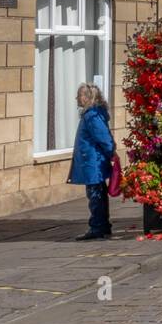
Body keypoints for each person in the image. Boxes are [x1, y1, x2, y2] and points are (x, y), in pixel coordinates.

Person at [68, 83, 116, 241]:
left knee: (95, 195)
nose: (77, 98)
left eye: (79, 95)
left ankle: (97, 227)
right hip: (94, 161)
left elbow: (103, 137)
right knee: (99, 193)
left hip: (93, 162)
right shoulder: (92, 114)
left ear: (87, 97)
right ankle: (102, 226)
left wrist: (111, 152)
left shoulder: (91, 115)